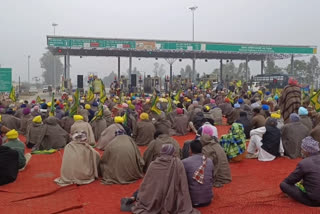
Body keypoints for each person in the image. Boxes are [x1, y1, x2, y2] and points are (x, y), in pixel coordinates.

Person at [132, 144, 200, 214]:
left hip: (154, 198)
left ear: (162, 152)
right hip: (172, 200)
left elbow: (146, 184)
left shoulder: (153, 164)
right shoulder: (178, 163)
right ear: (173, 152)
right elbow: (182, 185)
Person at [280, 136, 320, 207]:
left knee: (283, 184)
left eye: (302, 148)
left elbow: (289, 181)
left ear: (306, 150)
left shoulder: (304, 163)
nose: (301, 150)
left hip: (314, 201)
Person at [182, 140, 213, 207]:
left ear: (190, 149)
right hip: (208, 199)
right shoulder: (209, 161)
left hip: (192, 201)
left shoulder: (185, 162)